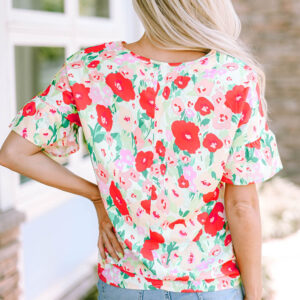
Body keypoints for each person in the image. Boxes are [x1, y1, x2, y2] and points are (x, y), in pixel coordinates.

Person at [0, 0, 283, 299]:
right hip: (211, 284)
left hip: (125, 283)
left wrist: (96, 195)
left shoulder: (90, 67)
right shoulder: (234, 78)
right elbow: (242, 206)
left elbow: (14, 153)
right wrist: (254, 295)